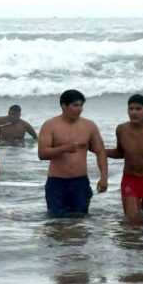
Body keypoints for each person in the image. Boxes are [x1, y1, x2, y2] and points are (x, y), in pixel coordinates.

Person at [37, 89, 108, 218]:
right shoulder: (50, 125)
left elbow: (100, 151)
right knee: (57, 223)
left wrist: (104, 177)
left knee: (80, 222)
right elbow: (42, 154)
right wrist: (63, 148)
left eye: (81, 105)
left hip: (80, 182)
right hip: (57, 182)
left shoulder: (89, 126)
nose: (79, 109)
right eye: (75, 105)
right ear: (64, 106)